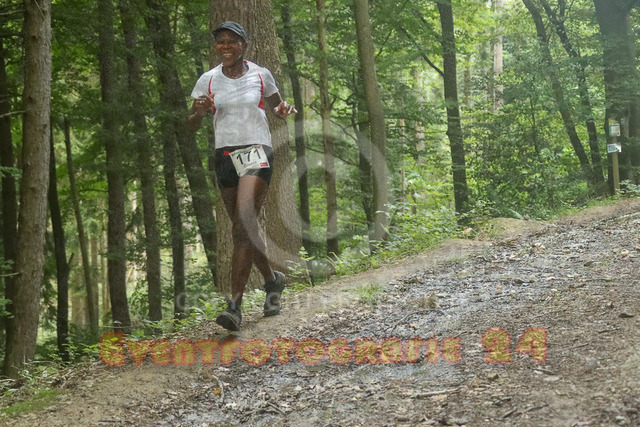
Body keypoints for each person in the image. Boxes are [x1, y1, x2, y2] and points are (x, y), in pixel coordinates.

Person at [188, 21, 297, 331]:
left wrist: (283, 110)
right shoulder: (208, 80)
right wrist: (198, 112)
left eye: (231, 41)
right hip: (224, 156)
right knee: (244, 230)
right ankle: (272, 280)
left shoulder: (261, 74)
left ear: (244, 45)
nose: (225, 46)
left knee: (241, 227)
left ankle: (234, 307)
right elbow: (191, 124)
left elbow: (277, 106)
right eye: (221, 41)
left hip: (256, 151)